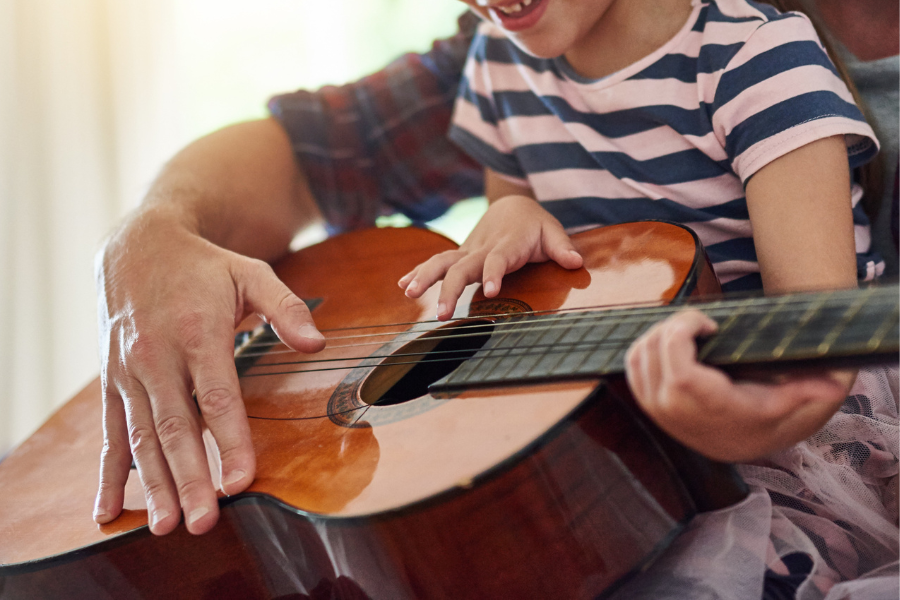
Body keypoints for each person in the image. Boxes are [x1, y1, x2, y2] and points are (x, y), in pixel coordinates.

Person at [91, 0, 897, 597]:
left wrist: (724, 427)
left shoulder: (763, 60)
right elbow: (519, 265)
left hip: (790, 444)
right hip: (614, 432)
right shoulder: (499, 62)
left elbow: (818, 349)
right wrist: (508, 222)